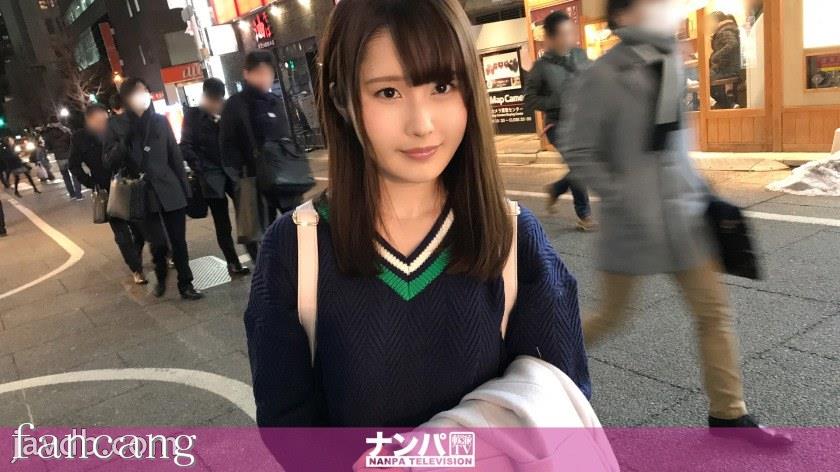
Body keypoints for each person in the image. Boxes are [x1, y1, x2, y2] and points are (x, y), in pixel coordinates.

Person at [245, 0, 589, 435]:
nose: (422, 124)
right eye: (388, 92)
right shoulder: (294, 250)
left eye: (442, 86)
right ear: (342, 101)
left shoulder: (514, 238)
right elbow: (287, 427)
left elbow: (560, 411)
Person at [561, 0, 791, 446]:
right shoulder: (601, 75)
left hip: (685, 213)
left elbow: (676, 141)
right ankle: (540, 366)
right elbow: (577, 146)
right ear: (624, 16)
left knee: (713, 312)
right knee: (611, 317)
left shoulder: (669, 57)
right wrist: (620, 192)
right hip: (633, 220)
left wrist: (701, 188)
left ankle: (729, 414)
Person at [110, 78, 203, 300]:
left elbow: (174, 155)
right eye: (137, 91)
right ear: (126, 97)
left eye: (145, 90)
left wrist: (185, 189)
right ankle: (161, 275)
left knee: (178, 241)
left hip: (169, 187)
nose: (143, 95)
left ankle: (186, 283)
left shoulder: (159, 121)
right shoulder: (116, 125)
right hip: (142, 193)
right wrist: (125, 141)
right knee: (158, 242)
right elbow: (109, 160)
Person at [220, 50, 300, 261]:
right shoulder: (235, 105)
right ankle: (267, 274)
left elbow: (287, 138)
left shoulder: (275, 101)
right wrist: (239, 178)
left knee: (297, 230)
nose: (265, 78)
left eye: (268, 73)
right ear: (247, 74)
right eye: (259, 73)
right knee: (259, 242)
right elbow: (227, 146)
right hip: (253, 181)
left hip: (284, 179)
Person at [524, 11, 595, 231]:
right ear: (551, 38)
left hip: (582, 123)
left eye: (571, 32)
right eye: (564, 34)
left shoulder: (580, 56)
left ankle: (556, 189)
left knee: (584, 165)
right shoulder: (541, 68)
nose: (569, 38)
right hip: (557, 125)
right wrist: (558, 100)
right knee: (579, 165)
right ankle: (584, 215)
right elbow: (529, 100)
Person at [70, 104, 148, 285]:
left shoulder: (118, 128)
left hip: (129, 183)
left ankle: (136, 256)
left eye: (104, 118)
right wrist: (91, 183)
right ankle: (136, 268)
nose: (102, 123)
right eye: (97, 120)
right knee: (122, 233)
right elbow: (74, 165)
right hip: (106, 189)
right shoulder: (80, 138)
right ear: (89, 120)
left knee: (140, 227)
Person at [180, 78, 250, 276]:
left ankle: (257, 254)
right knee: (222, 223)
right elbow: (185, 145)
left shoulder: (228, 111)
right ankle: (233, 262)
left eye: (219, 99)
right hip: (211, 176)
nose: (216, 103)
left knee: (247, 217)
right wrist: (200, 167)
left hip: (233, 172)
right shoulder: (193, 116)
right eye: (213, 99)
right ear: (205, 96)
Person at [42, 115, 82, 200]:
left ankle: (72, 194)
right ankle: (78, 194)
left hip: (59, 157)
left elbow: (48, 147)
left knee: (66, 176)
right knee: (75, 174)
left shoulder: (48, 133)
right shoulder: (64, 130)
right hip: (69, 155)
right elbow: (72, 141)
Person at [709, 12, 742, 109]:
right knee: (707, 81)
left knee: (705, 81)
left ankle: (726, 105)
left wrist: (715, 57)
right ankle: (730, 104)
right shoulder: (726, 29)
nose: (709, 25)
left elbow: (732, 44)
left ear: (716, 21)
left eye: (710, 22)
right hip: (730, 68)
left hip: (726, 69)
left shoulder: (724, 31)